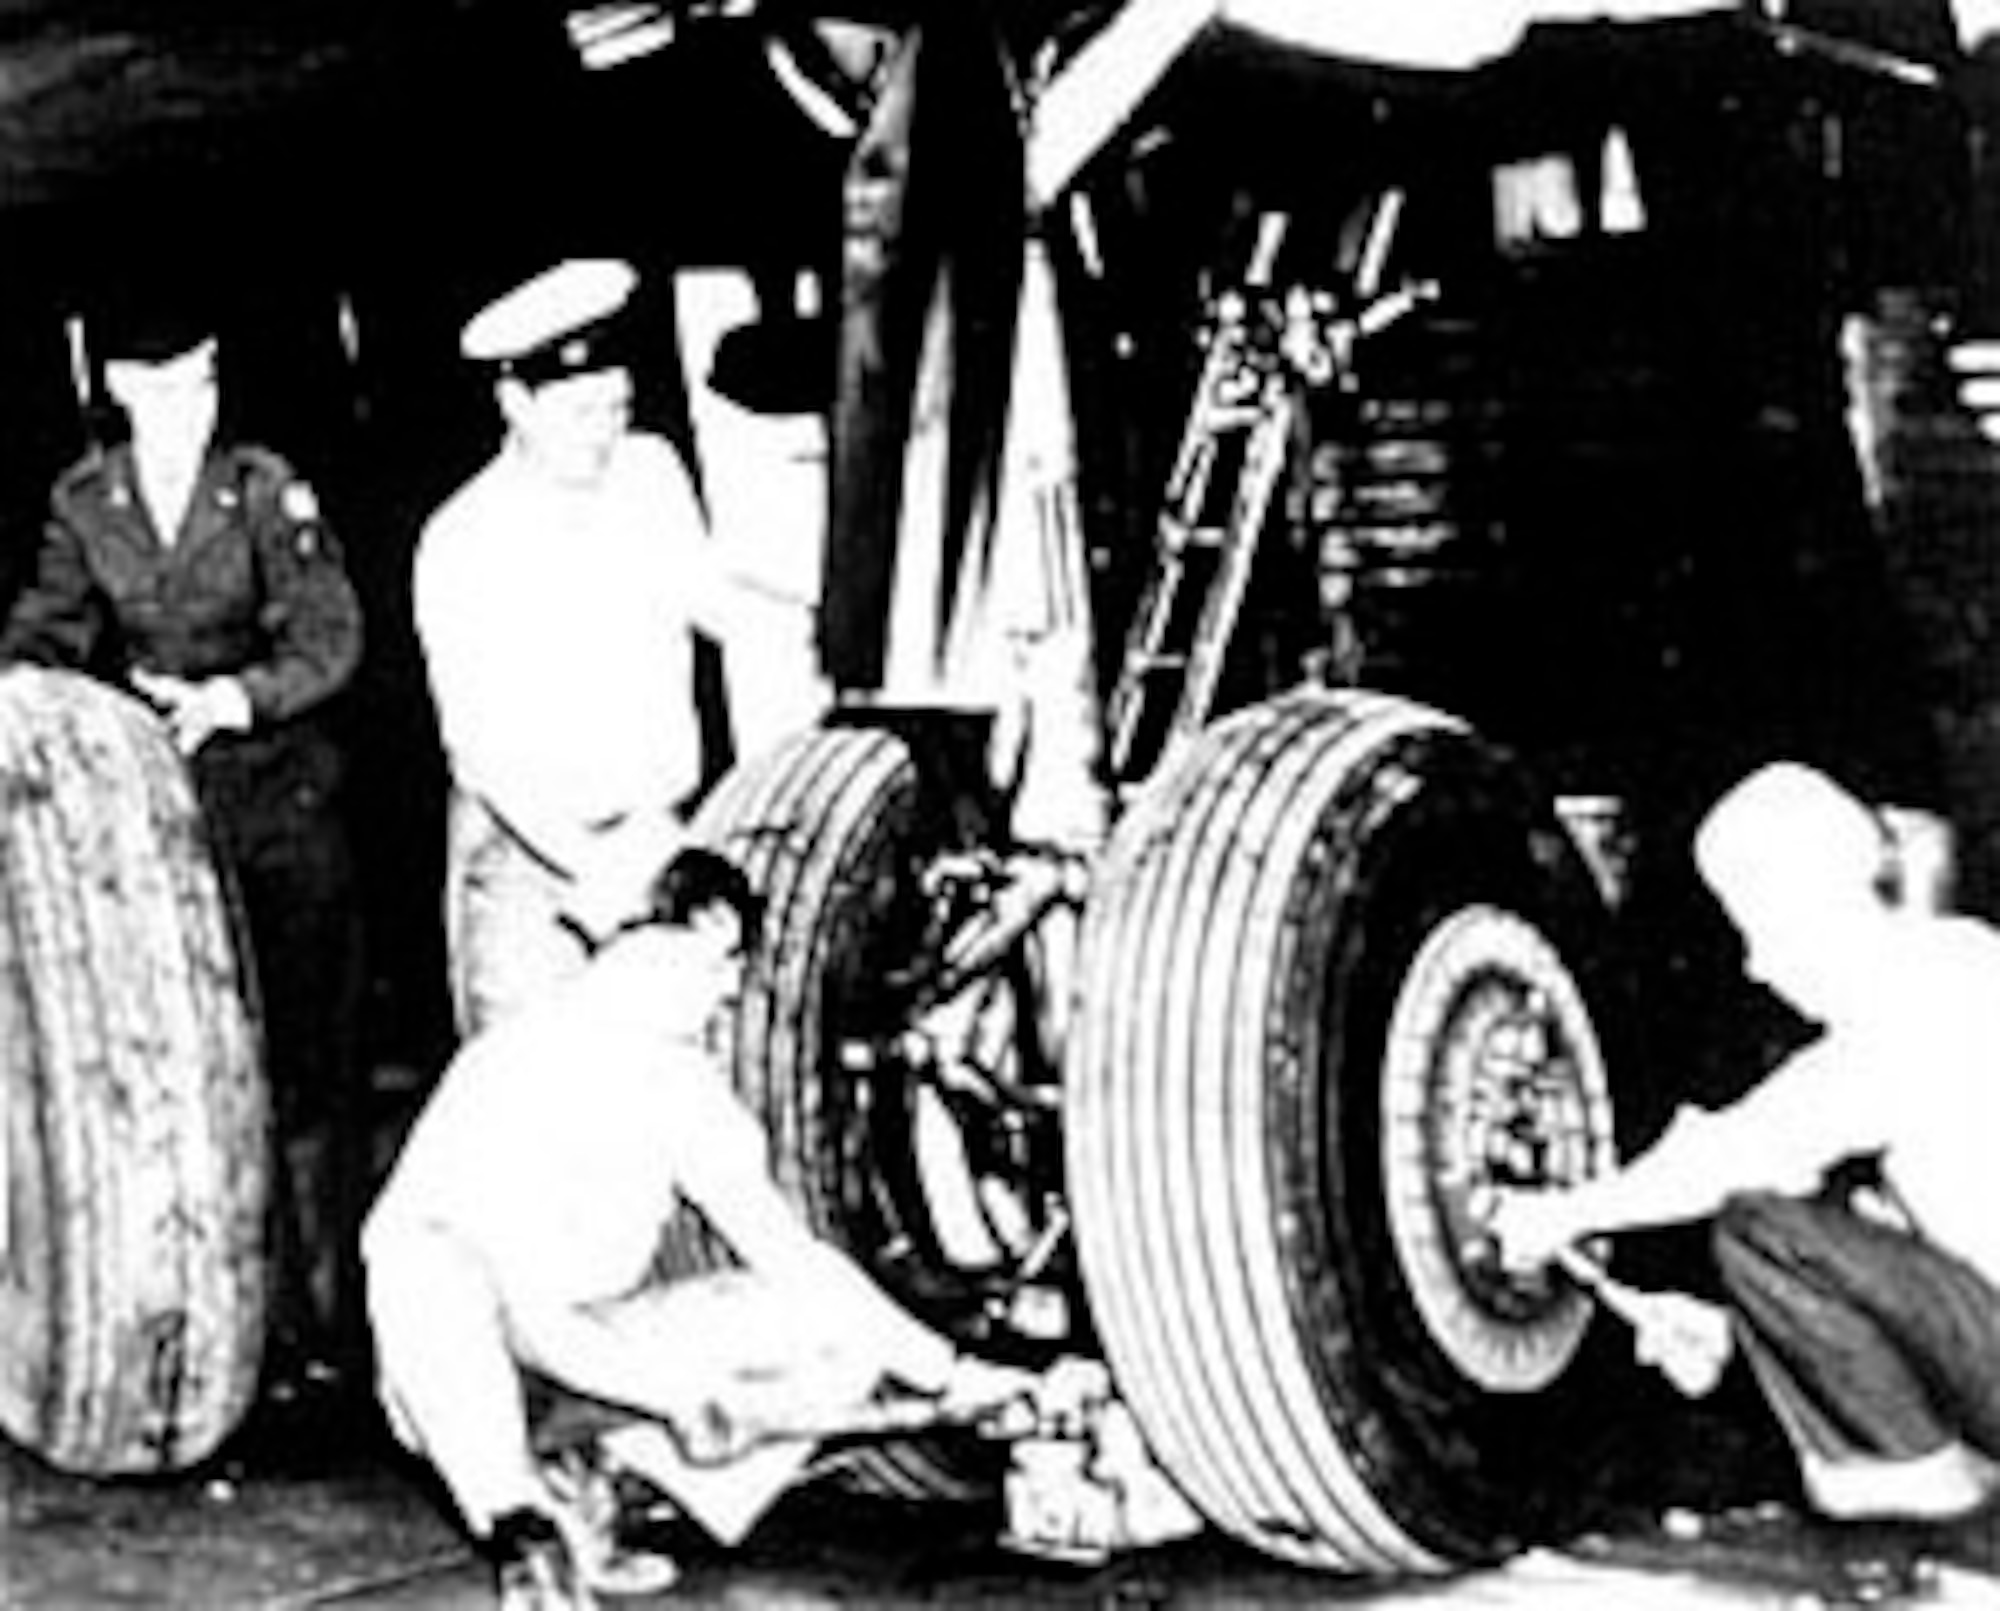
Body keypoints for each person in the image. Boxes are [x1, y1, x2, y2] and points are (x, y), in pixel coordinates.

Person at [362, 846, 1030, 1609]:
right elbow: (492, 1305)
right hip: (471, 1378)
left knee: (826, 1327)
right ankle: (525, 1525)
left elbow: (791, 1256)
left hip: (584, 1352)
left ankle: (594, 1483)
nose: (729, 994)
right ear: (687, 932)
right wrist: (669, 1391)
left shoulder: (683, 1085)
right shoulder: (512, 1060)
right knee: (426, 1271)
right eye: (726, 965)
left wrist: (950, 1372)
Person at [0, 290, 368, 1384]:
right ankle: (245, 1334)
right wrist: (20, 686)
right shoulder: (86, 501)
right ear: (117, 388)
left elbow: (330, 635)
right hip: (169, 832)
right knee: (213, 1076)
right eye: (159, 388)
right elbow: (52, 627)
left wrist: (237, 700)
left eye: (200, 383)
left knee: (310, 1078)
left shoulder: (263, 487)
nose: (183, 408)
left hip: (284, 807)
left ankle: (333, 1331)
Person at [1490, 761, 2000, 1535]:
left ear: (1816, 901)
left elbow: (1739, 1152)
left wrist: (1561, 1213)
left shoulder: (1926, 998)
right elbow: (1923, 1270)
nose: (1759, 965)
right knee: (1832, 1219)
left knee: (1764, 1230)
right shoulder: (1965, 963)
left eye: (1760, 929)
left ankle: (1934, 1506)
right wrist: (1734, 1337)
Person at [415, 257, 753, 1039]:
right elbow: (482, 753)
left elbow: (714, 600)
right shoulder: (464, 540)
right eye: (580, 415)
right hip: (530, 867)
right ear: (515, 403)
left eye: (616, 408)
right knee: (543, 1103)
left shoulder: (649, 472)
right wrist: (596, 870)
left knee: (675, 1083)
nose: (603, 436)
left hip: (656, 834)